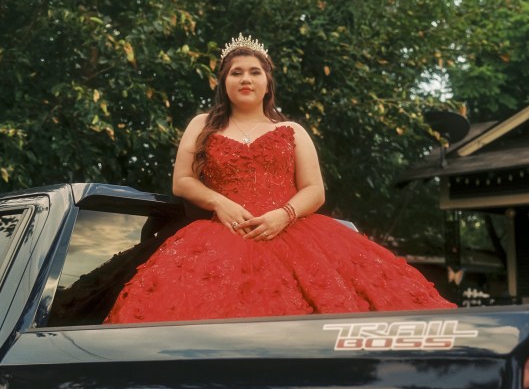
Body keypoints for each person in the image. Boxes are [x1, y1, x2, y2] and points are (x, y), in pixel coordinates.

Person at [105, 33, 454, 324]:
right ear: (223, 82)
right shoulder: (202, 125)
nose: (245, 79)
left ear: (267, 82)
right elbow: (181, 182)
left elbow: (315, 190)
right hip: (222, 234)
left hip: (294, 232)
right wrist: (219, 202)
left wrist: (283, 214)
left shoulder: (291, 130)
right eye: (236, 72)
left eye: (254, 72)